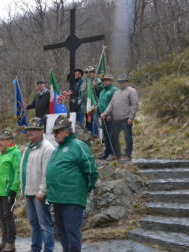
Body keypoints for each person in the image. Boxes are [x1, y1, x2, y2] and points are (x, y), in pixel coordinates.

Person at [46, 115, 98, 252]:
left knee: (72, 231)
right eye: (53, 132)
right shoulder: (57, 148)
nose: (54, 134)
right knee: (61, 231)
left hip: (72, 198)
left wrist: (88, 188)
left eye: (57, 131)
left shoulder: (78, 146)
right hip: (57, 198)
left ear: (67, 131)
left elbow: (91, 170)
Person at [19, 118, 55, 252]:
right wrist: (22, 189)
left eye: (33, 130)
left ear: (41, 131)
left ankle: (48, 249)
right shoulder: (28, 147)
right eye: (29, 130)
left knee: (44, 224)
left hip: (40, 193)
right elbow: (24, 169)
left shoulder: (48, 148)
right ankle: (35, 248)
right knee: (33, 223)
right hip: (29, 191)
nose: (30, 132)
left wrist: (42, 191)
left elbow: (47, 172)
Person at [0, 129, 21, 252]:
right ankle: (3, 241)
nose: (0, 142)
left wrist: (14, 189)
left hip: (8, 190)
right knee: (2, 216)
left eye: (3, 140)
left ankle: (11, 243)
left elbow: (18, 172)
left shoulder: (15, 153)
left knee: (8, 216)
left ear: (10, 140)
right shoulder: (0, 154)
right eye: (0, 140)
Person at [101, 74, 139, 161]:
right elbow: (111, 104)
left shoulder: (132, 91)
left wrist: (131, 118)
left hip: (126, 119)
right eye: (120, 82)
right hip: (116, 119)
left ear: (126, 82)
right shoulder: (116, 92)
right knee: (112, 136)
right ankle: (116, 155)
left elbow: (134, 104)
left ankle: (128, 155)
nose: (121, 83)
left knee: (127, 137)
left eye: (123, 81)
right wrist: (105, 113)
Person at [97, 74, 118, 159]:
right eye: (104, 80)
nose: (105, 82)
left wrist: (111, 115)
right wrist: (97, 108)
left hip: (112, 117)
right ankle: (107, 153)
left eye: (107, 80)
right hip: (103, 117)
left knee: (112, 135)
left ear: (111, 81)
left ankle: (114, 153)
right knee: (106, 136)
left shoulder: (115, 90)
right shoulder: (102, 92)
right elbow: (101, 103)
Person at [82, 66, 103, 137]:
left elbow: (102, 91)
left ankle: (97, 135)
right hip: (87, 106)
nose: (89, 74)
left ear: (94, 73)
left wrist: (96, 86)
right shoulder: (84, 83)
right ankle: (89, 135)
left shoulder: (98, 81)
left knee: (95, 121)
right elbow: (81, 94)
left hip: (95, 105)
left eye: (91, 72)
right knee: (88, 121)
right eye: (87, 73)